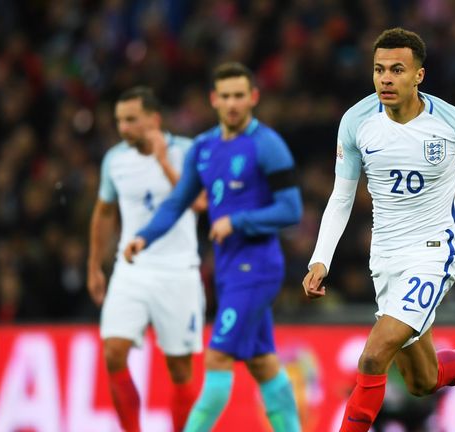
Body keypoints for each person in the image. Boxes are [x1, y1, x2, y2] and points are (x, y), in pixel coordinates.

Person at [302, 28, 455, 431]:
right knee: (423, 380)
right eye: (379, 70)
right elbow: (341, 196)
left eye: (397, 70)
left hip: (433, 253)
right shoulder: (356, 122)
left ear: (419, 75)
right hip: (385, 259)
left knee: (373, 356)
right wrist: (320, 260)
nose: (386, 79)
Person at [123, 62, 302, 432]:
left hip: (257, 267)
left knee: (218, 357)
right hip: (227, 268)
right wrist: (145, 236)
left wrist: (237, 221)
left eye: (239, 96)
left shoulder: (268, 145)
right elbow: (178, 201)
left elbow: (291, 209)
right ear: (213, 99)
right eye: (226, 96)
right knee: (262, 362)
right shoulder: (203, 147)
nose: (232, 103)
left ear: (253, 97)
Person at [88, 86, 206, 432]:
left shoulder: (188, 150)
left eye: (131, 120)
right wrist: (94, 265)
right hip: (131, 269)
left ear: (154, 119)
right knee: (113, 352)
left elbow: (199, 203)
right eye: (119, 121)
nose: (123, 128)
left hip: (178, 271)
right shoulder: (114, 160)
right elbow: (104, 211)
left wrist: (162, 161)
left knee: (180, 369)